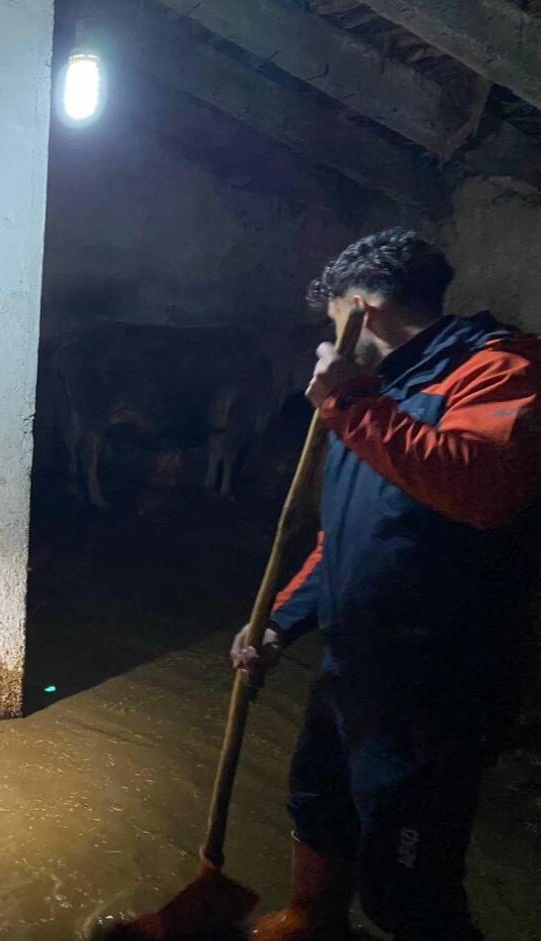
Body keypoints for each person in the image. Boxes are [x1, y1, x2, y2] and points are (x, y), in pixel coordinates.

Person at [232, 228, 541, 941]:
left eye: (334, 319)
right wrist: (279, 620)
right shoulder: (377, 392)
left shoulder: (501, 368)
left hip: (435, 683)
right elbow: (347, 536)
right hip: (355, 662)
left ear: (362, 312)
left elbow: (479, 487)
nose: (329, 338)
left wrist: (349, 403)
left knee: (409, 874)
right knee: (319, 799)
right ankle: (313, 919)